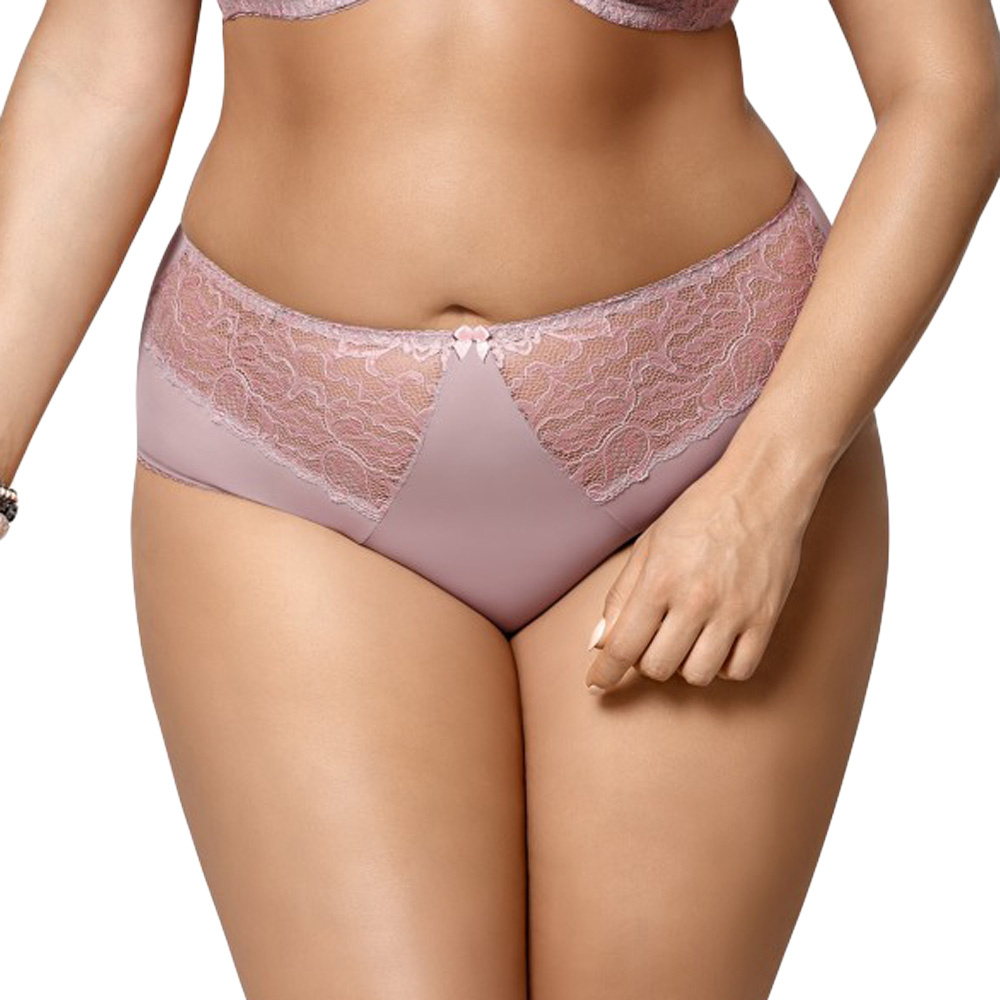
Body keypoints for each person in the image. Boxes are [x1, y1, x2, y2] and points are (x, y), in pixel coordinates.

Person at [1, 1, 998, 996]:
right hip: (278, 454)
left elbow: (949, 87)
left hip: (701, 445)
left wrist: (763, 490)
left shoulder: (738, 480)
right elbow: (97, 75)